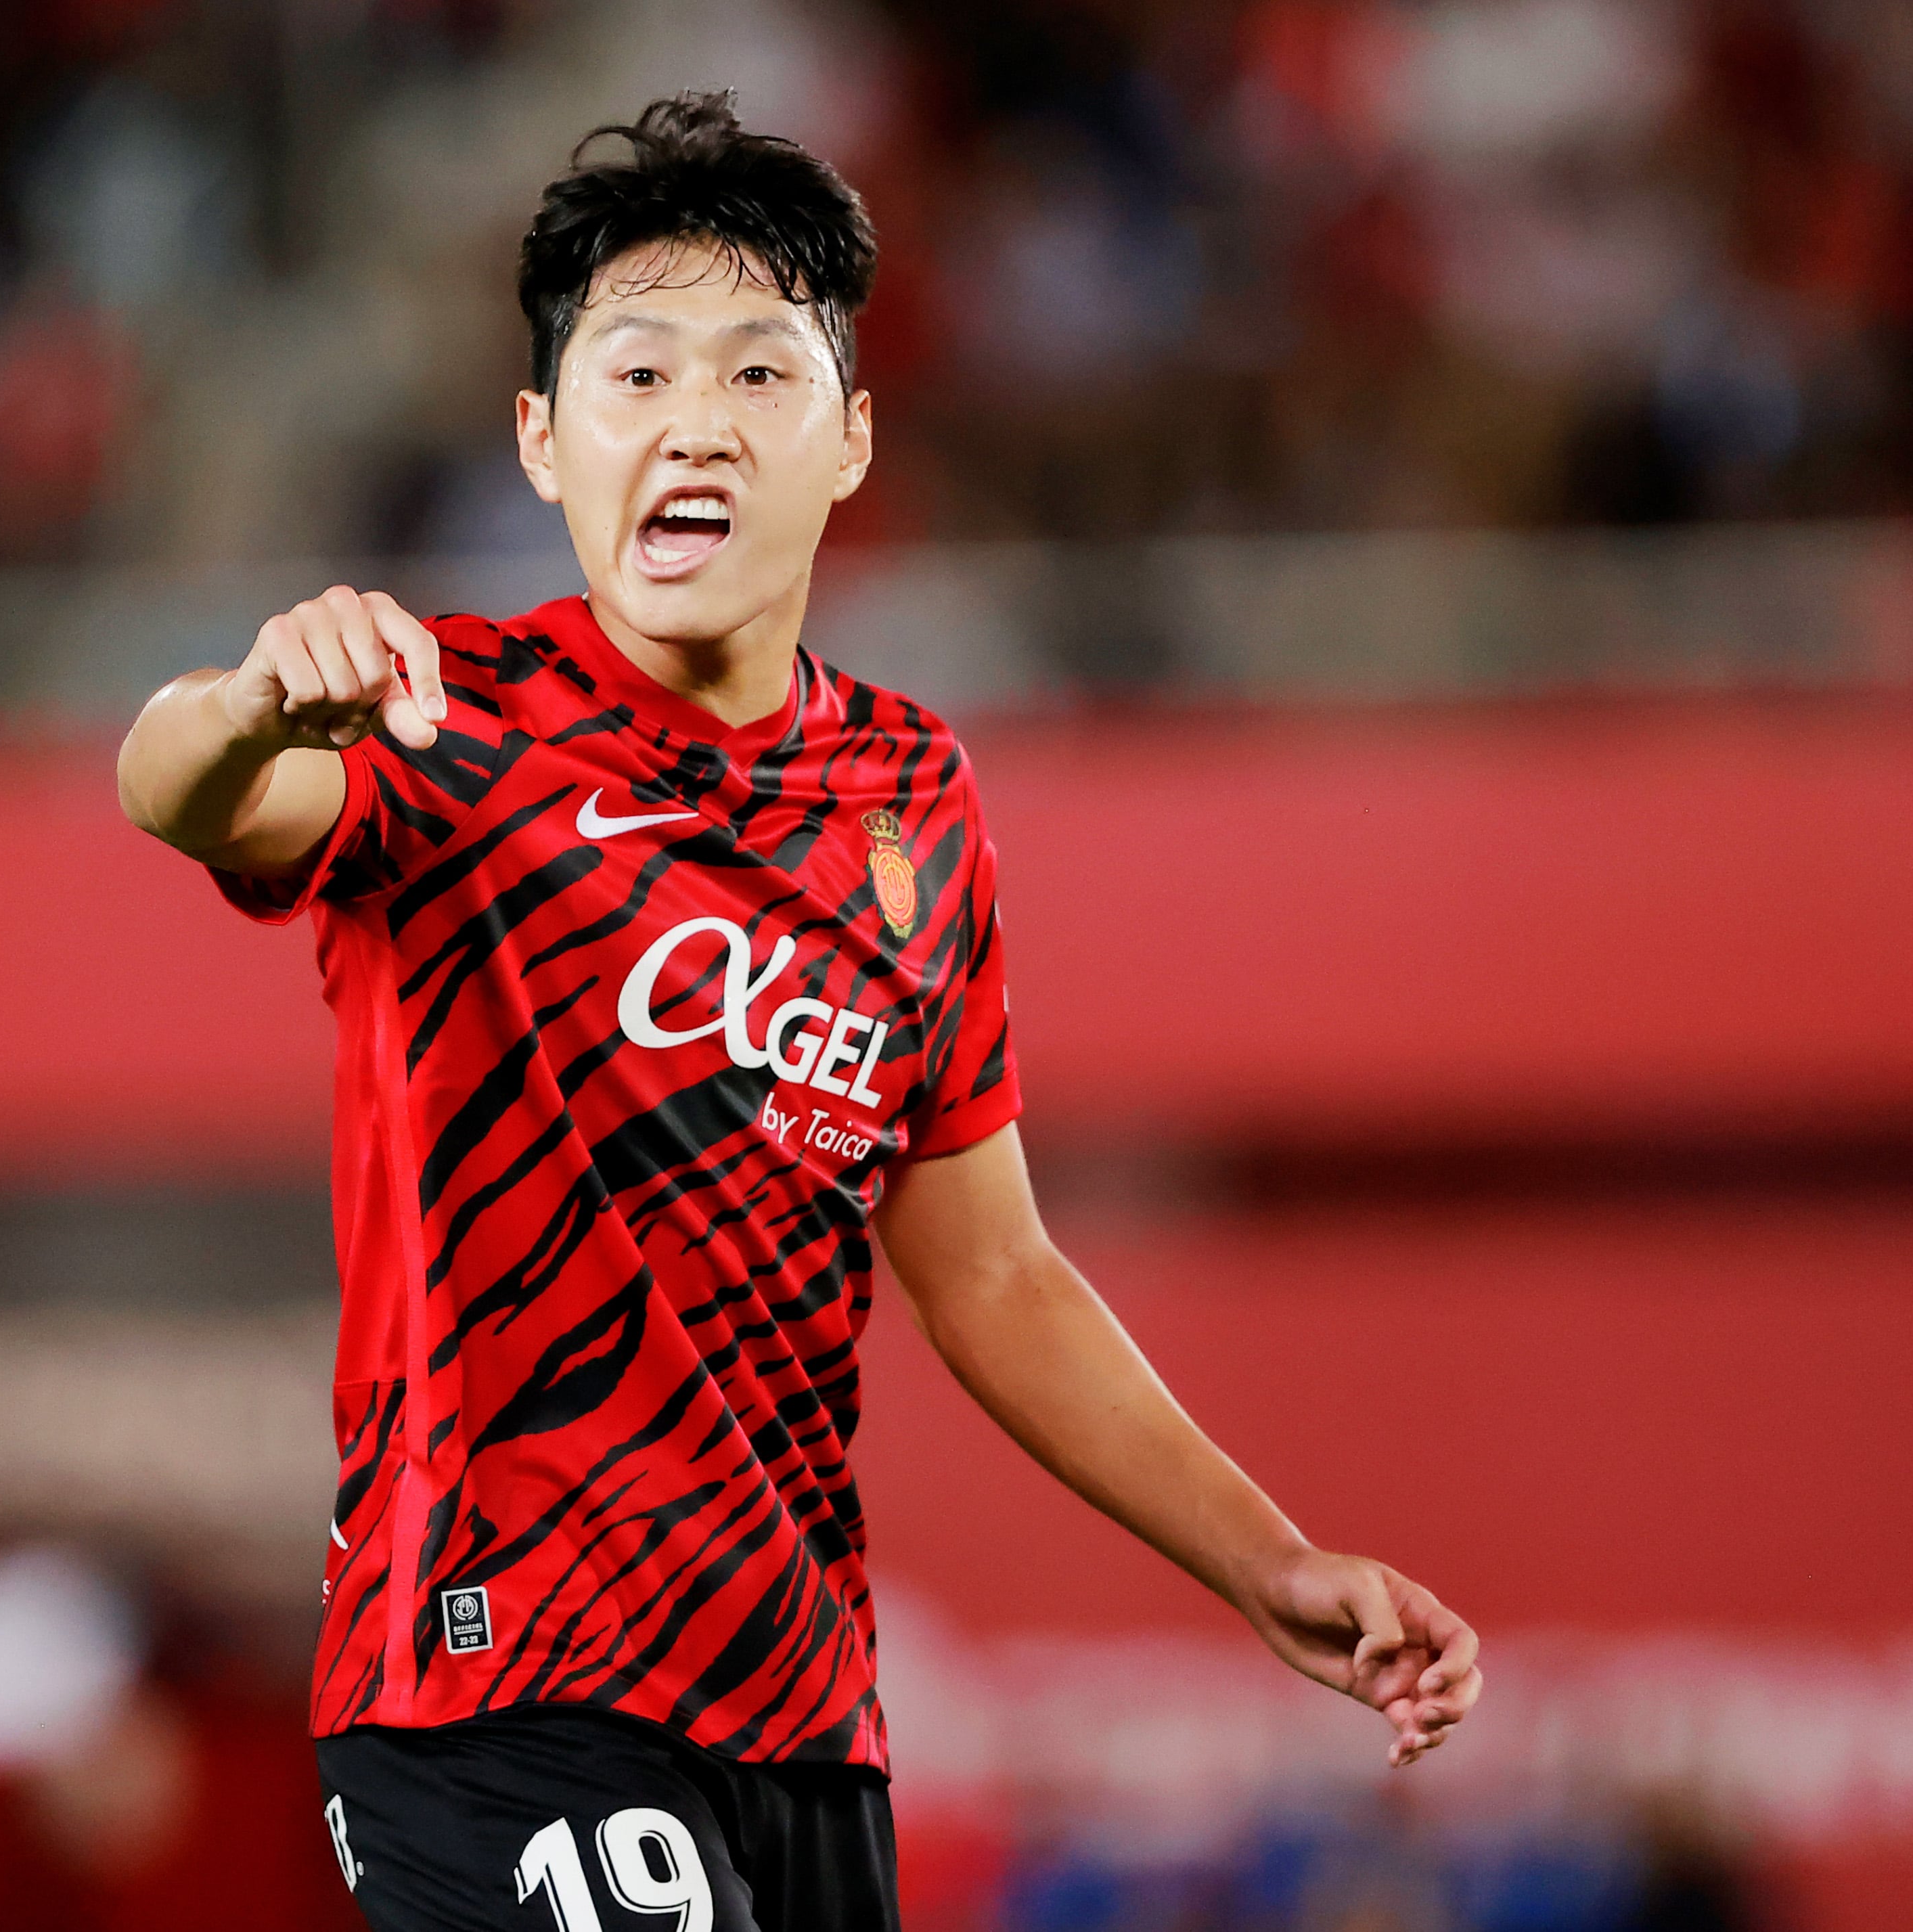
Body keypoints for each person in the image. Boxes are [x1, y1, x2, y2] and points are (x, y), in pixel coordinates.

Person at [118, 94, 1481, 1931]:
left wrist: (1263, 1561)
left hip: (796, 1713)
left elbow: (990, 1273)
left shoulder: (914, 797)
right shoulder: (445, 727)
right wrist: (257, 698)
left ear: (849, 441)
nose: (694, 421)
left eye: (761, 375)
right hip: (497, 1681)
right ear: (541, 440)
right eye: (636, 374)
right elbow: (179, 792)